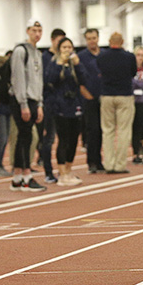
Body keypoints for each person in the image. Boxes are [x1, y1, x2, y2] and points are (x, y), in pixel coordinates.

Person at [10, 19, 47, 192]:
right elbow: (18, 78)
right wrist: (23, 104)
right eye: (34, 30)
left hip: (33, 100)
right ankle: (26, 175)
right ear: (27, 31)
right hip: (21, 100)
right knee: (26, 138)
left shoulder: (37, 53)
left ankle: (17, 177)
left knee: (25, 138)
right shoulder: (20, 51)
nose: (37, 34)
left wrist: (39, 104)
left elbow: (38, 80)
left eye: (39, 30)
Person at [96, 31, 137, 174]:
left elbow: (99, 71)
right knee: (124, 130)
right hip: (124, 95)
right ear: (122, 41)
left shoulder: (101, 56)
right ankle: (120, 164)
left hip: (107, 95)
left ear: (109, 41)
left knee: (108, 131)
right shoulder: (129, 57)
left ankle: (108, 163)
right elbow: (133, 73)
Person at [46, 37, 84, 186]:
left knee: (74, 140)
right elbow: (50, 80)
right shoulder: (54, 63)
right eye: (64, 48)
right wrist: (60, 64)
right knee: (63, 139)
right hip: (59, 106)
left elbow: (84, 80)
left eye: (70, 47)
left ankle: (68, 170)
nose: (67, 50)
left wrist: (78, 65)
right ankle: (61, 173)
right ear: (59, 50)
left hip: (75, 105)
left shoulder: (75, 64)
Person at [37, 28, 66, 183]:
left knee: (64, 139)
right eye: (59, 42)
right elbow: (45, 80)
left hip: (64, 104)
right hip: (49, 103)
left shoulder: (66, 58)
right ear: (53, 40)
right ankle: (48, 171)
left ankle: (64, 170)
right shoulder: (45, 58)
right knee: (49, 139)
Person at [77, 28, 104, 173]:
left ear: (98, 38)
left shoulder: (104, 54)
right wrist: (85, 94)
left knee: (102, 131)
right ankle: (91, 161)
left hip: (105, 98)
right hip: (89, 98)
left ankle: (99, 161)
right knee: (92, 130)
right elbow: (78, 78)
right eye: (89, 38)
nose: (92, 41)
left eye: (94, 38)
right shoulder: (81, 56)